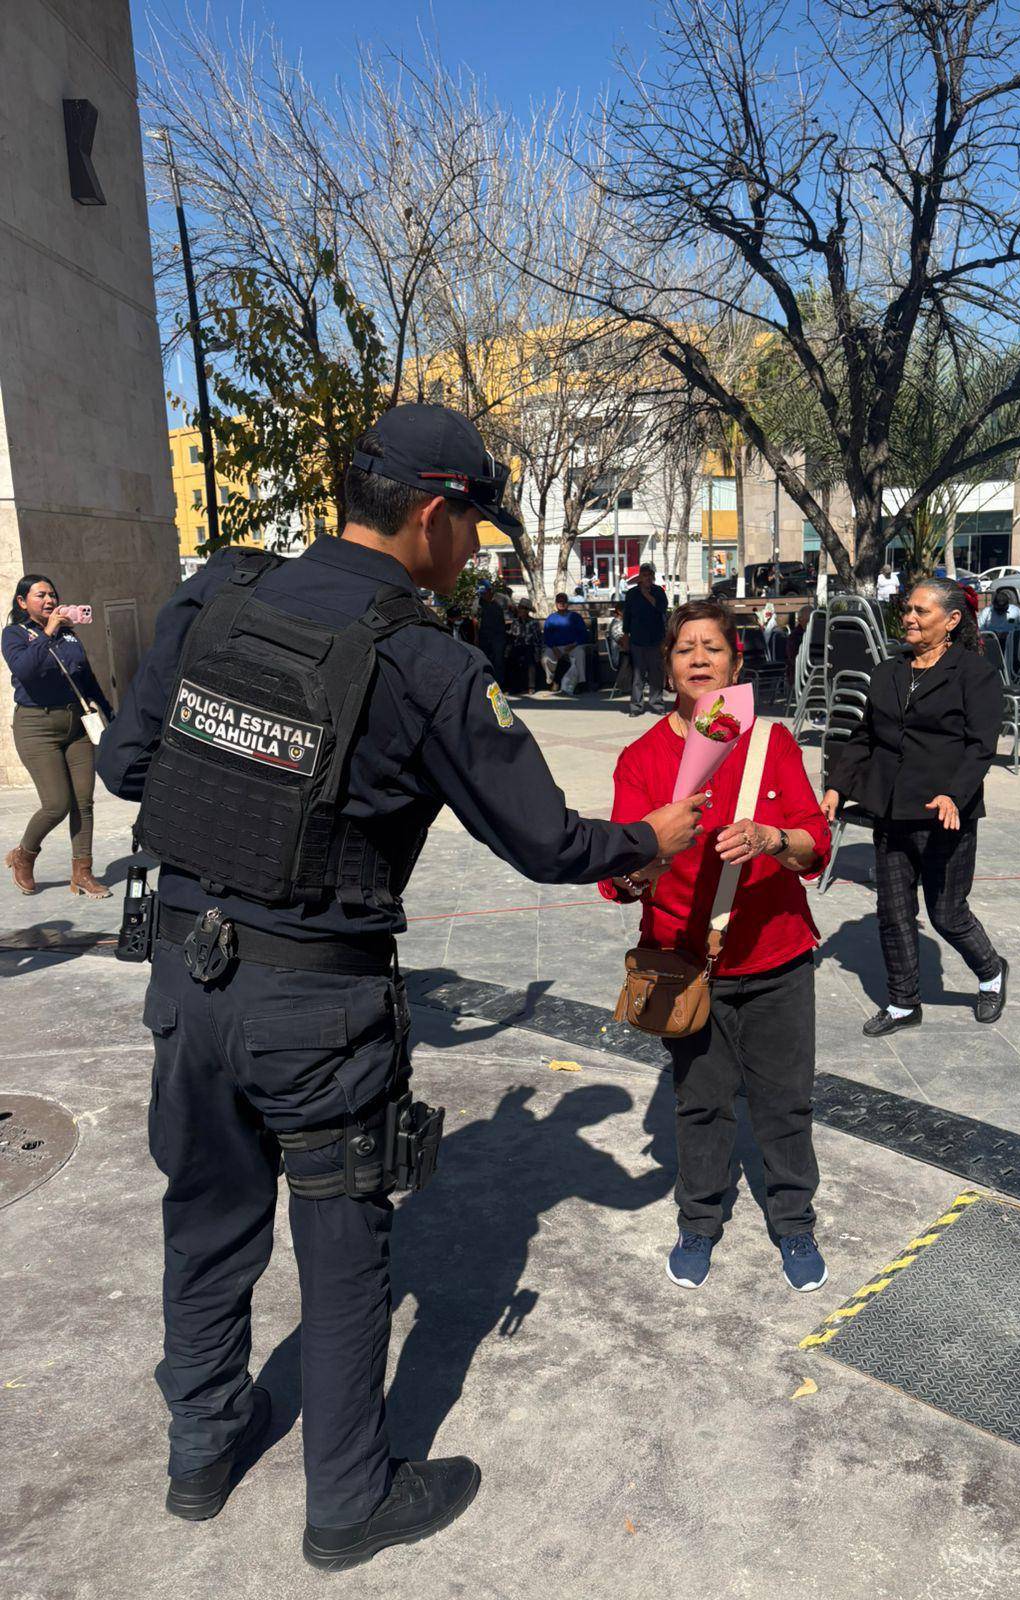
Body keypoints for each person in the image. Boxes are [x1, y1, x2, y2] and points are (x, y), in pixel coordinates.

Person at [97, 403, 706, 1571]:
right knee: (343, 1252)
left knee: (206, 1217)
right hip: (315, 1009)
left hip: (184, 978)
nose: (476, 548)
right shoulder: (426, 658)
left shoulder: (214, 592)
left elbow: (129, 762)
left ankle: (203, 1446)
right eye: (476, 525)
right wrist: (652, 835)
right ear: (433, 512)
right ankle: (347, 1501)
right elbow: (543, 840)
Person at [600, 599, 832, 1293]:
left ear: (736, 659)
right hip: (681, 962)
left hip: (775, 955)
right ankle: (699, 1221)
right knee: (699, 1102)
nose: (699, 659)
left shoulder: (771, 743)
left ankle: (793, 1222)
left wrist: (769, 837)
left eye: (712, 648)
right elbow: (619, 876)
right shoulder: (642, 758)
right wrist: (650, 859)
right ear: (667, 666)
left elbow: (814, 843)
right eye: (683, 649)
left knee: (784, 1099)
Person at [821, 578, 1007, 1035]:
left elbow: (981, 746)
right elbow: (865, 734)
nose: (909, 618)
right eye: (908, 609)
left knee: (947, 914)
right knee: (893, 911)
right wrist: (837, 787)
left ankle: (991, 972)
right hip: (892, 809)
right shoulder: (889, 671)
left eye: (922, 612)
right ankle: (904, 1003)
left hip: (946, 811)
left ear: (951, 621)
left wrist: (954, 794)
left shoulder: (974, 673)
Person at [2, 574, 113, 898]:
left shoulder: (69, 636)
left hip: (76, 725)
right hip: (37, 726)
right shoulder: (14, 635)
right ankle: (24, 854)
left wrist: (110, 715)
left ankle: (83, 874)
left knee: (84, 801)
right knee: (56, 803)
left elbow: (87, 679)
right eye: (40, 596)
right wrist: (48, 631)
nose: (49, 600)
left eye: (52, 594)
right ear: (23, 602)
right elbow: (25, 669)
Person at [621, 562, 669, 716]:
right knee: (638, 676)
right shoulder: (632, 594)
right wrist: (626, 636)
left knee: (656, 675)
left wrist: (647, 595)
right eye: (644, 575)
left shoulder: (658, 592)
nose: (647, 578)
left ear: (653, 577)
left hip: (655, 639)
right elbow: (627, 616)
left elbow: (662, 609)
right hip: (637, 640)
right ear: (640, 577)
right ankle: (636, 707)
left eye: (650, 575)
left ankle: (657, 704)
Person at [541, 592, 589, 693]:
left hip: (572, 646)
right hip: (556, 647)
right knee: (545, 658)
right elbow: (547, 636)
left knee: (580, 653)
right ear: (556, 603)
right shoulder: (551, 618)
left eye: (564, 602)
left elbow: (583, 633)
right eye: (559, 602)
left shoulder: (575, 617)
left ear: (567, 603)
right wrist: (554, 649)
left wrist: (574, 644)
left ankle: (581, 683)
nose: (561, 604)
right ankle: (552, 680)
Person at [978, 589, 1020, 668]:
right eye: (998, 610)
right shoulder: (987, 611)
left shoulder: (1015, 611)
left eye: (1003, 610)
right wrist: (991, 634)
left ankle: (1012, 668)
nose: (1000, 613)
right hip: (991, 640)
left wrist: (1010, 634)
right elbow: (979, 628)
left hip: (1010, 640)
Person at [508, 598, 543, 695]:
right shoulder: (515, 622)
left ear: (527, 610)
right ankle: (515, 686)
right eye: (519, 608)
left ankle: (531, 686)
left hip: (530, 646)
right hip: (517, 645)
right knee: (512, 659)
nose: (520, 610)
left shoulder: (533, 622)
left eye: (523, 608)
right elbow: (512, 636)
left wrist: (538, 652)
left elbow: (537, 639)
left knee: (530, 660)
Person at [475, 580, 507, 685]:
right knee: (485, 661)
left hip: (498, 636)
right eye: (481, 594)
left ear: (490, 590)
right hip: (484, 636)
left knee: (499, 661)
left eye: (485, 593)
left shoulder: (501, 600)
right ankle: (487, 684)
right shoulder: (478, 603)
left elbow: (510, 614)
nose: (483, 595)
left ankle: (499, 684)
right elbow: (475, 620)